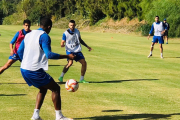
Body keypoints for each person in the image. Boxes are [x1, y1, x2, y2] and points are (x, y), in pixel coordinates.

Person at [17, 17, 75, 120]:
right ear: (48, 27)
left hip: (23, 69)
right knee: (56, 88)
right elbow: (49, 55)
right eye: (50, 28)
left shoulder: (28, 34)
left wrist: (26, 63)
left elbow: (20, 52)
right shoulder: (44, 36)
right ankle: (59, 117)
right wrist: (67, 56)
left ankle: (35, 116)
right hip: (34, 70)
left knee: (43, 88)